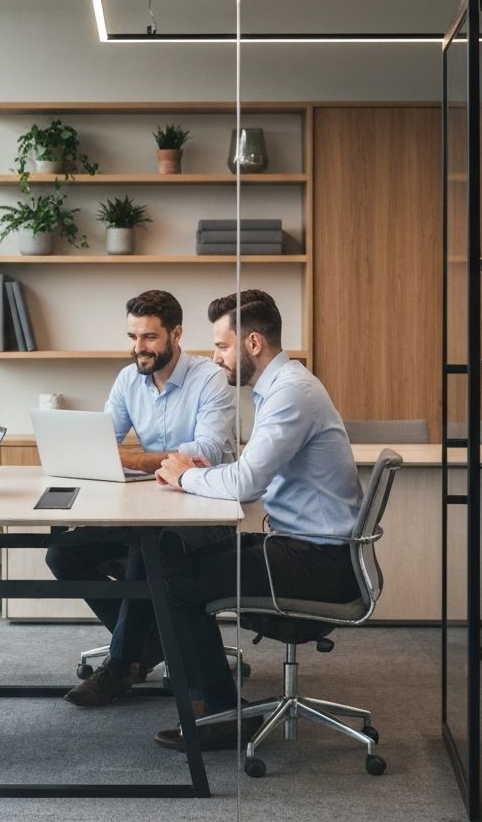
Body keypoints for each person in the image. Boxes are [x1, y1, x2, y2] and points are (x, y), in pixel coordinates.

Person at [151, 289, 364, 751]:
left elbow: (247, 482)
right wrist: (208, 475)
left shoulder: (290, 393)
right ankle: (200, 693)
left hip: (319, 563)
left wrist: (187, 478)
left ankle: (223, 715)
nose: (215, 358)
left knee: (173, 581)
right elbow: (253, 473)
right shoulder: (283, 386)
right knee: (174, 555)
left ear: (252, 344)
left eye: (222, 346)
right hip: (306, 547)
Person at [47, 289, 236, 707]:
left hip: (206, 518)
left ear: (176, 333)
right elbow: (102, 442)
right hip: (150, 510)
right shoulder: (129, 379)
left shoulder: (210, 380)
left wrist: (134, 458)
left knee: (145, 551)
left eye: (149, 337)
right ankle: (153, 642)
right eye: (133, 337)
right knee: (62, 554)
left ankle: (120, 666)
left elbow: (203, 455)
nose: (138, 348)